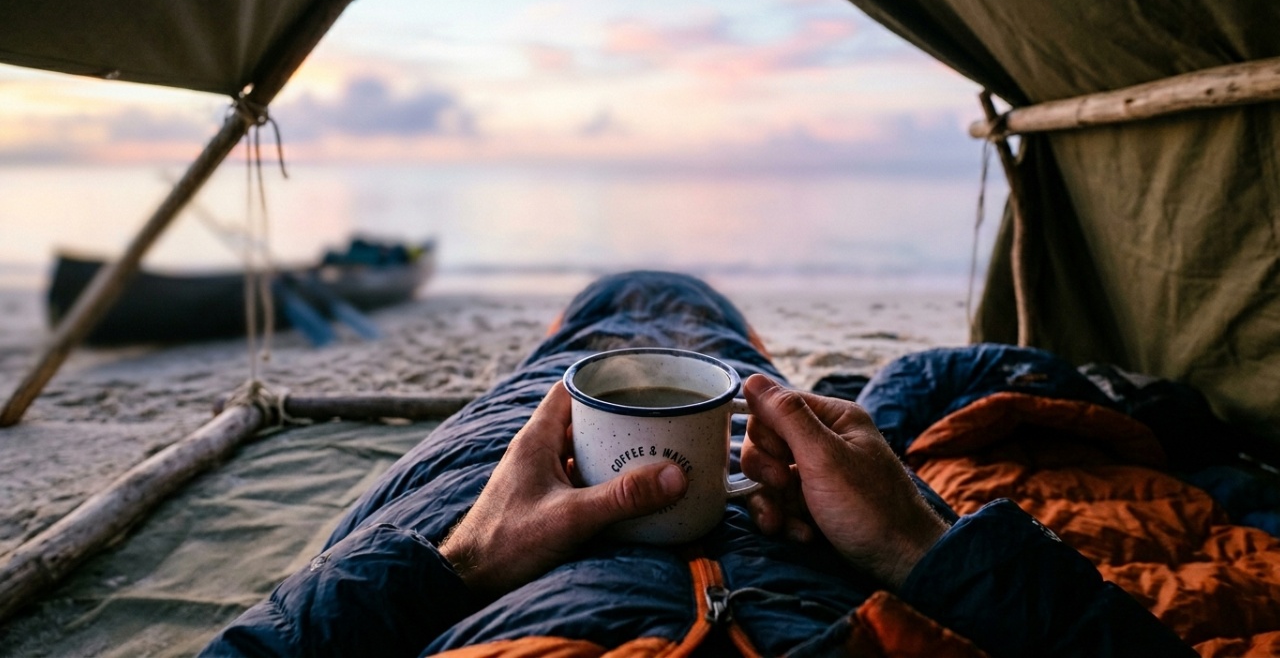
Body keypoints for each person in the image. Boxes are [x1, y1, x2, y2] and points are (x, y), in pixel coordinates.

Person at [201, 271, 1195, 657]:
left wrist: (455, 564)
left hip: (497, 531)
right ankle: (695, 327)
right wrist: (920, 549)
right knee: (800, 392)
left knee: (546, 385)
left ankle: (601, 326)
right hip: (808, 552)